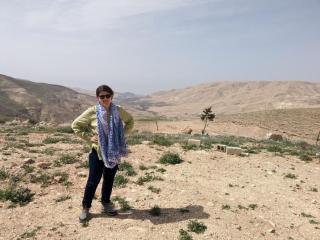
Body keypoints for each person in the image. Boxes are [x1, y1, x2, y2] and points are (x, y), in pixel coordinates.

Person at [71, 85, 134, 222]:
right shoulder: (92, 111)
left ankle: (106, 203)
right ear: (97, 98)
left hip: (114, 151)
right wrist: (89, 137)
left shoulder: (117, 110)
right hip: (98, 152)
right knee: (93, 181)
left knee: (109, 179)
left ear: (112, 96)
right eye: (102, 96)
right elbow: (75, 125)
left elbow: (130, 121)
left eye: (107, 96)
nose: (105, 98)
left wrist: (120, 135)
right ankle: (86, 207)